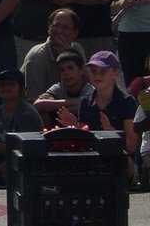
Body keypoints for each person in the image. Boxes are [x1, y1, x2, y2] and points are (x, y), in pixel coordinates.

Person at [57, 51, 138, 179]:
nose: (97, 75)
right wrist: (75, 128)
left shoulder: (127, 102)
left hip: (122, 160)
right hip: (94, 160)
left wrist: (111, 134)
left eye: (103, 71)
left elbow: (131, 147)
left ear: (115, 73)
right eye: (94, 71)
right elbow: (85, 145)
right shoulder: (85, 102)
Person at [21, 8, 86, 101]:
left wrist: (71, 56)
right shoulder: (37, 57)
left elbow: (88, 84)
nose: (59, 31)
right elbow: (34, 102)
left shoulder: (77, 49)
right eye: (55, 26)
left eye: (65, 27)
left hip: (69, 106)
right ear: (49, 29)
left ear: (75, 33)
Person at [33, 49, 91, 127]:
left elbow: (91, 107)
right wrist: (74, 102)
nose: (66, 73)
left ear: (82, 70)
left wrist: (55, 110)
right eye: (62, 70)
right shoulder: (59, 87)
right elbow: (37, 105)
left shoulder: (89, 89)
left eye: (70, 68)